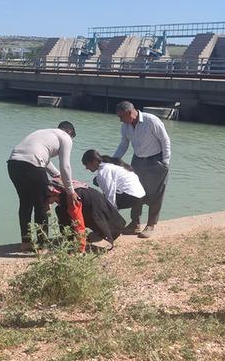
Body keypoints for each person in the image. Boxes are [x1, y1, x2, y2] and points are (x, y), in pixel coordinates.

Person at [7, 122, 78, 251]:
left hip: (13, 164)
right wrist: (70, 191)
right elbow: (65, 165)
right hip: (32, 165)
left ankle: (26, 242)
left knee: (25, 203)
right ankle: (42, 245)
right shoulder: (66, 137)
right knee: (42, 204)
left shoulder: (44, 132)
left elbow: (44, 159)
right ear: (70, 133)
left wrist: (56, 175)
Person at [112, 101, 171, 239]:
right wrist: (113, 161)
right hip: (137, 160)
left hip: (156, 160)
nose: (120, 120)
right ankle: (135, 223)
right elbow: (123, 145)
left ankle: (151, 224)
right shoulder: (125, 126)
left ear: (129, 113)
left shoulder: (151, 121)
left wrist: (165, 162)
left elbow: (165, 140)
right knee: (135, 191)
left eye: (121, 116)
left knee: (156, 193)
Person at [48, 183, 127, 251]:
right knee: (103, 220)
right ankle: (71, 239)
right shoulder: (60, 189)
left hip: (88, 202)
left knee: (98, 221)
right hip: (90, 195)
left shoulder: (68, 200)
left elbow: (78, 223)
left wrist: (80, 246)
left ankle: (73, 241)